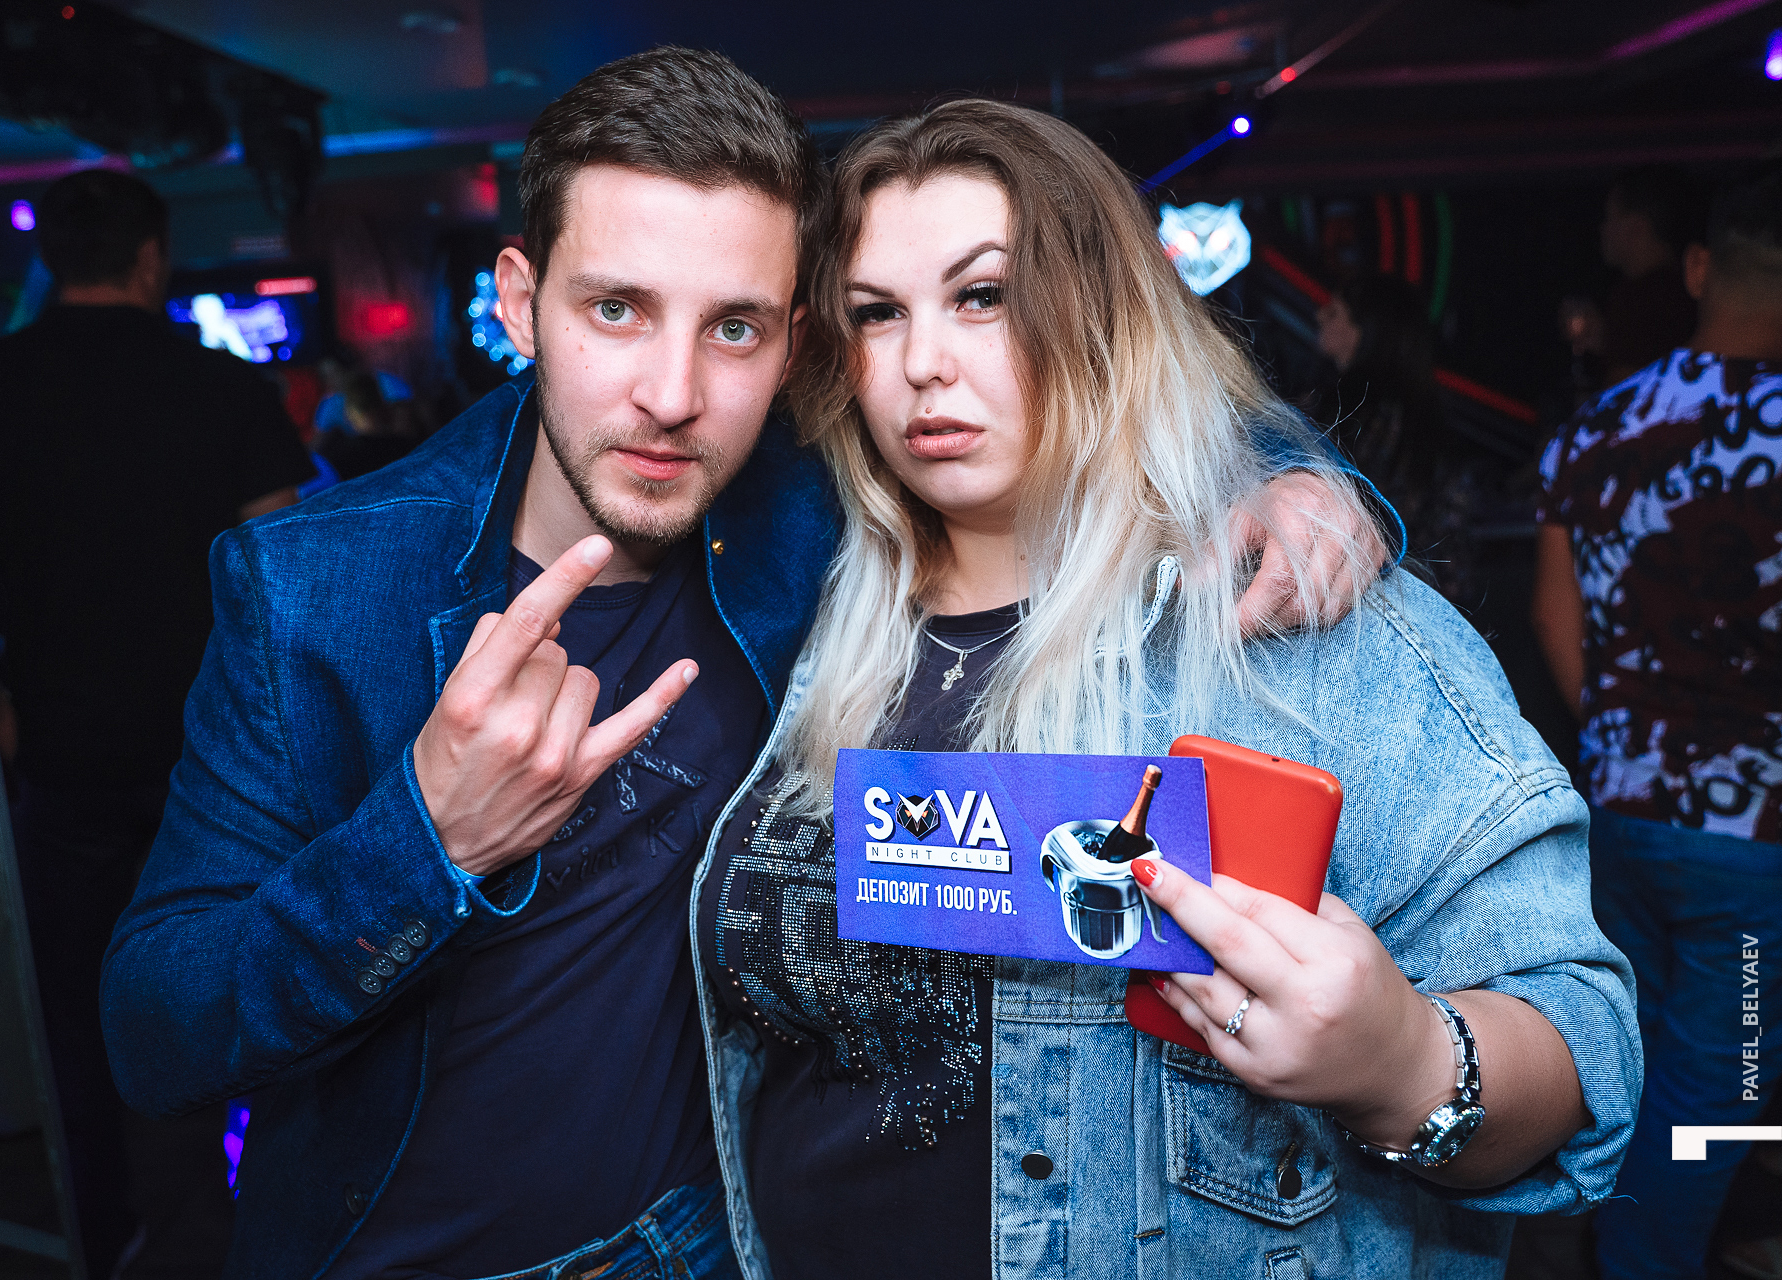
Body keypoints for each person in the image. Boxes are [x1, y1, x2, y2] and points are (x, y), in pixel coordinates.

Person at [99, 49, 1389, 1280]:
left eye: (734, 329)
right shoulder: (318, 589)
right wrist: (426, 840)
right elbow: (155, 1030)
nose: (672, 393)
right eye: (616, 309)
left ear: (796, 341)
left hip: (701, 1242)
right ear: (517, 301)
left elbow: (1103, 397)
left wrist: (1300, 480)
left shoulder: (810, 507)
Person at [692, 99, 1639, 1280]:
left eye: (982, 295)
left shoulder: (1298, 624)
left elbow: (1587, 1045)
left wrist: (1398, 1061)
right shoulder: (794, 608)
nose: (921, 362)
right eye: (877, 312)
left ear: (1105, 312)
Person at [0, 169, 315, 1280]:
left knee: (78, 1002)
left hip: (60, 741)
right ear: (153, 259)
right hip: (217, 753)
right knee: (243, 982)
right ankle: (241, 1226)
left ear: (50, 258)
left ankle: (108, 1236)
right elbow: (281, 575)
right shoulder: (220, 384)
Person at [1531, 166, 1782, 1280]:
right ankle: (1647, 1256)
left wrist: (1632, 744)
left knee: (1628, 1053)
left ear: (1697, 270)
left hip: (1620, 812)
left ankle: (1609, 1235)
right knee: (1724, 1086)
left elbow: (1554, 614)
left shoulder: (1602, 423)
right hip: (1754, 837)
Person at [1315, 272, 1483, 605]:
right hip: (1427, 602)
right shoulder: (1424, 413)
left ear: (1367, 329)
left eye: (1333, 312)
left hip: (1371, 600)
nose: (1319, 316)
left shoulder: (1360, 412)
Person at [1598, 164, 1707, 386]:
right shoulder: (1694, 288)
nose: (1603, 229)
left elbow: (1626, 393)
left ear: (1637, 227)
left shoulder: (1636, 300)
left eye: (1610, 218)